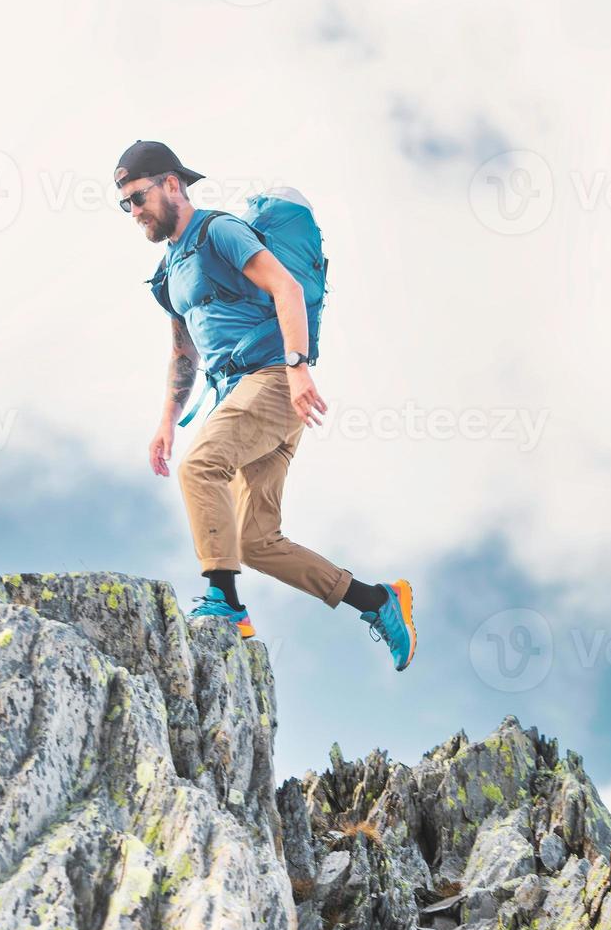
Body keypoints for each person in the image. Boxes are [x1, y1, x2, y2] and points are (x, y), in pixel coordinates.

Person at [115, 139, 416, 671]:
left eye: (138, 197)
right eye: (126, 204)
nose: (134, 212)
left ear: (171, 184)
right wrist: (165, 421)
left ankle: (226, 605)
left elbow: (287, 288)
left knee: (202, 467)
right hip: (244, 394)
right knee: (255, 540)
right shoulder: (169, 272)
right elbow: (184, 351)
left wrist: (297, 367)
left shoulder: (219, 231)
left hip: (274, 380)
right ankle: (377, 601)